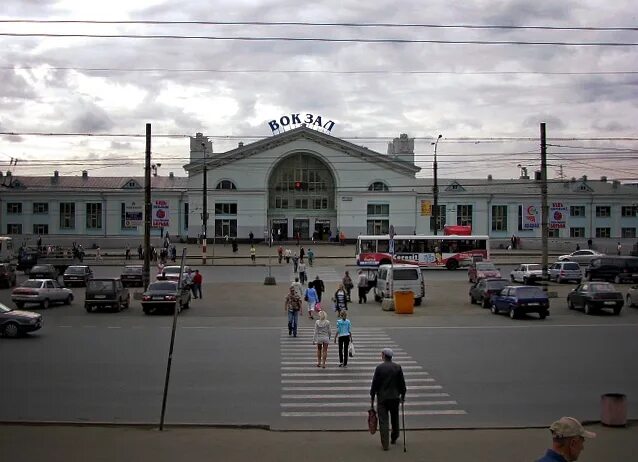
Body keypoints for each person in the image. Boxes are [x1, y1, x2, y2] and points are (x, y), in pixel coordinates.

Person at [370, 348, 406, 451]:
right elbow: (402, 384)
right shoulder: (397, 367)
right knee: (395, 418)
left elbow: (374, 385)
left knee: (383, 421)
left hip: (382, 398)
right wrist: (403, 396)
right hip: (395, 397)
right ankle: (394, 437)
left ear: (384, 356)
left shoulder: (379, 368)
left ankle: (385, 443)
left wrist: (372, 398)